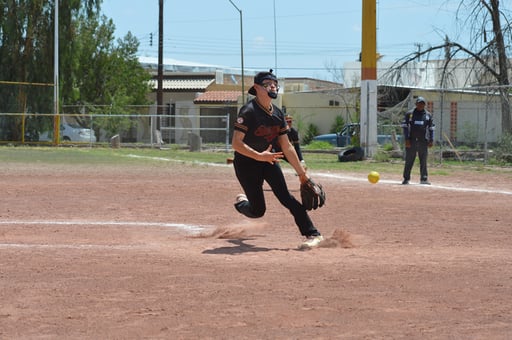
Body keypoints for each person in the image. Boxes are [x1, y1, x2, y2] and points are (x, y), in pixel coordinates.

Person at [231, 70, 323, 249]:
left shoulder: (278, 114)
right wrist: (258, 155)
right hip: (246, 164)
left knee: (287, 198)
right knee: (258, 211)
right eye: (267, 84)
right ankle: (241, 203)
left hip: (269, 161)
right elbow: (236, 143)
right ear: (257, 88)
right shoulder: (248, 111)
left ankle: (313, 234)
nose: (273, 86)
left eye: (274, 83)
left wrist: (302, 174)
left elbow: (287, 146)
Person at [401, 96, 435, 185]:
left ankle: (424, 179)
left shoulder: (428, 115)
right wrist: (407, 139)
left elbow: (431, 128)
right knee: (409, 160)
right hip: (411, 141)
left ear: (424, 105)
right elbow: (405, 127)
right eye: (419, 103)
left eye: (422, 104)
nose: (421, 105)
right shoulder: (410, 114)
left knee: (423, 161)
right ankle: (406, 178)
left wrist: (431, 139)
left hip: (423, 141)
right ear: (416, 104)